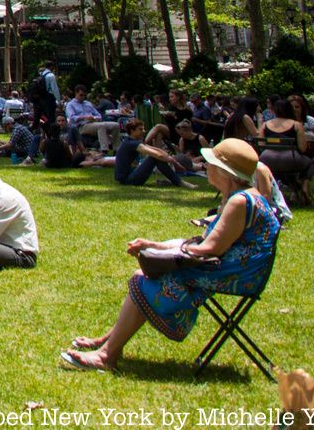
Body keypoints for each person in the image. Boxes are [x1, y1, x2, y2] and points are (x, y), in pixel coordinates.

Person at [60, 138, 281, 372]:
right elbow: (205, 244)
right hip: (237, 270)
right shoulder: (246, 196)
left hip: (237, 275)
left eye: (211, 164)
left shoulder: (239, 201)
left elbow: (210, 249)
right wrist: (153, 245)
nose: (206, 167)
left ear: (226, 172)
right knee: (145, 274)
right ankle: (109, 343)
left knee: (143, 277)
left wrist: (161, 254)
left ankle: (106, 355)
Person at [112, 118, 191, 187]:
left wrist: (174, 161)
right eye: (140, 129)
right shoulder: (132, 143)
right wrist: (176, 164)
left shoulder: (132, 141)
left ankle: (175, 181)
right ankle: (179, 182)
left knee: (156, 157)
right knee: (154, 157)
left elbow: (157, 150)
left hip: (128, 177)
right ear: (132, 131)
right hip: (127, 180)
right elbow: (157, 155)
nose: (144, 131)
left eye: (143, 129)